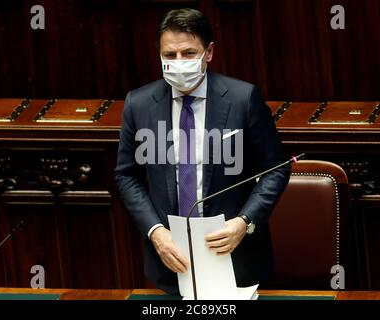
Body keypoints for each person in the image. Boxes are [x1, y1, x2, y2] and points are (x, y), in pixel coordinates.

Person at [115, 8, 290, 293]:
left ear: (208, 53)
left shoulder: (243, 99)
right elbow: (126, 176)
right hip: (169, 260)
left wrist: (244, 222)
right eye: (169, 55)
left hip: (237, 258)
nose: (178, 62)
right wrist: (155, 232)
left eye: (188, 53)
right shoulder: (138, 103)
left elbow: (277, 169)